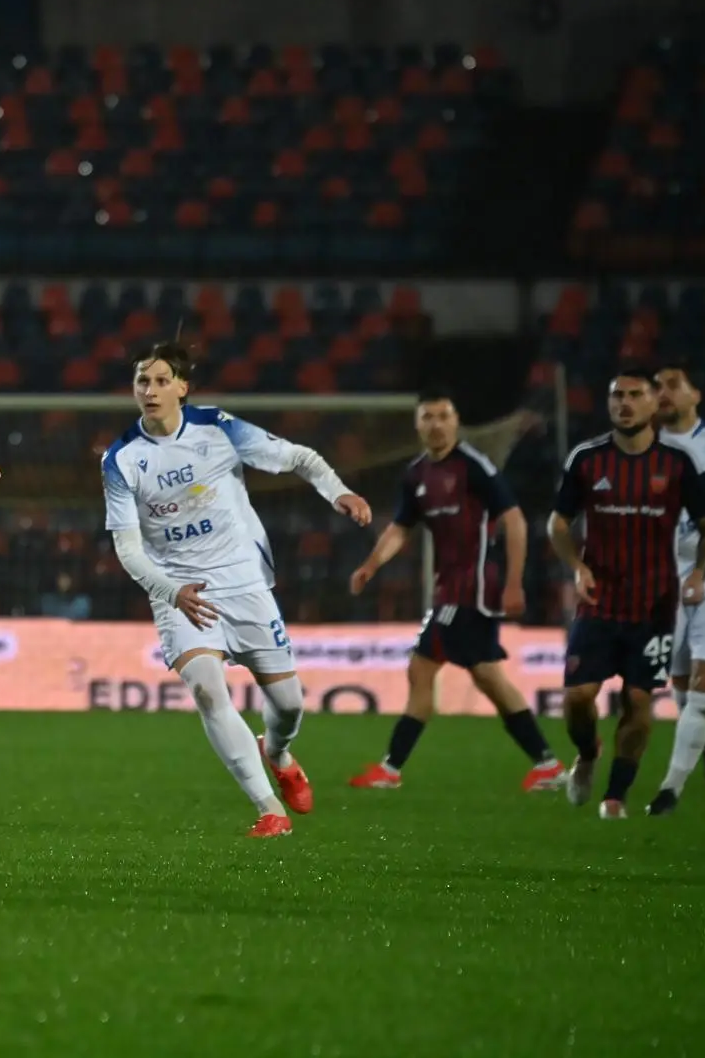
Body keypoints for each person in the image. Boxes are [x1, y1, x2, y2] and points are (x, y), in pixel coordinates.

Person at [102, 341, 371, 837]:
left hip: (243, 579)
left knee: (288, 703)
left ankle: (279, 752)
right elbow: (128, 550)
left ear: (183, 387)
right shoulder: (121, 460)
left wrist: (340, 492)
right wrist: (170, 591)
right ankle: (271, 809)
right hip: (181, 591)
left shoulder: (219, 429)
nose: (151, 390)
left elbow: (301, 458)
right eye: (143, 381)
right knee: (207, 690)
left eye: (162, 380)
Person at [347, 388, 566, 791]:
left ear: (455, 422)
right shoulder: (416, 474)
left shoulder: (473, 466)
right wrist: (371, 565)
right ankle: (548, 764)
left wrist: (514, 582)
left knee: (426, 668)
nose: (436, 424)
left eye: (443, 416)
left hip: (474, 589)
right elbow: (400, 528)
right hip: (450, 589)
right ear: (417, 425)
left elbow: (514, 520)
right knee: (484, 677)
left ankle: (391, 769)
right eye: (428, 417)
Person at [548, 365, 705, 819]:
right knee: (578, 697)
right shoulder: (586, 459)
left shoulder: (678, 463)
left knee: (640, 699)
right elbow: (558, 523)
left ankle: (615, 797)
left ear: (652, 403)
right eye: (616, 395)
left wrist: (700, 572)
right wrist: (576, 565)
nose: (623, 403)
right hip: (599, 599)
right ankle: (587, 754)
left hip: (654, 603)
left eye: (633, 395)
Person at [648, 362, 705, 812]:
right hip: (669, 587)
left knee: (701, 695)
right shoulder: (645, 452)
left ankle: (669, 791)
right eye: (657, 387)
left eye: (672, 385)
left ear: (694, 394)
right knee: (684, 696)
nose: (663, 392)